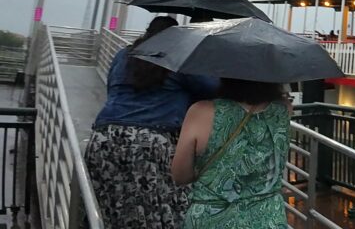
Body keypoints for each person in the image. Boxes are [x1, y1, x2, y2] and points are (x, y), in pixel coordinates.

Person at [86, 17, 219, 228]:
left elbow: (112, 88)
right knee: (164, 209)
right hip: (151, 143)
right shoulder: (179, 57)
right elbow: (212, 89)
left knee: (115, 205)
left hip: (104, 136)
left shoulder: (124, 54)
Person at [172, 79, 291, 228]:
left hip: (211, 219)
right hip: (269, 218)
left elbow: (180, 175)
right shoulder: (283, 108)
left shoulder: (201, 112)